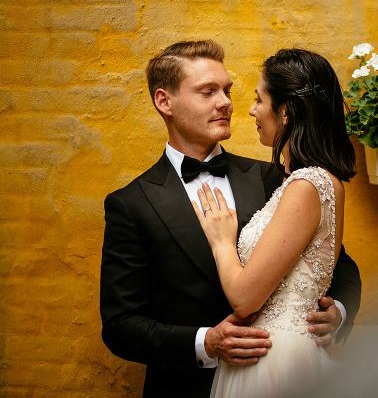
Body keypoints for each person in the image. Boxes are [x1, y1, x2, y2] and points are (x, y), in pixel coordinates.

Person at [99, 41, 361, 397]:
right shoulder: (131, 204)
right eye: (207, 92)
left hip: (279, 375)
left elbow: (337, 263)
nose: (225, 103)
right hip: (185, 387)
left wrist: (338, 313)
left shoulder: (275, 178)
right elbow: (120, 326)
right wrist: (205, 342)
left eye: (227, 90)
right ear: (165, 102)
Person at [194, 47, 356, 397]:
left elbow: (244, 298)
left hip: (275, 359)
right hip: (270, 354)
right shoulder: (310, 182)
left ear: (286, 112)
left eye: (258, 99)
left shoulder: (306, 185)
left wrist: (223, 241)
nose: (250, 110)